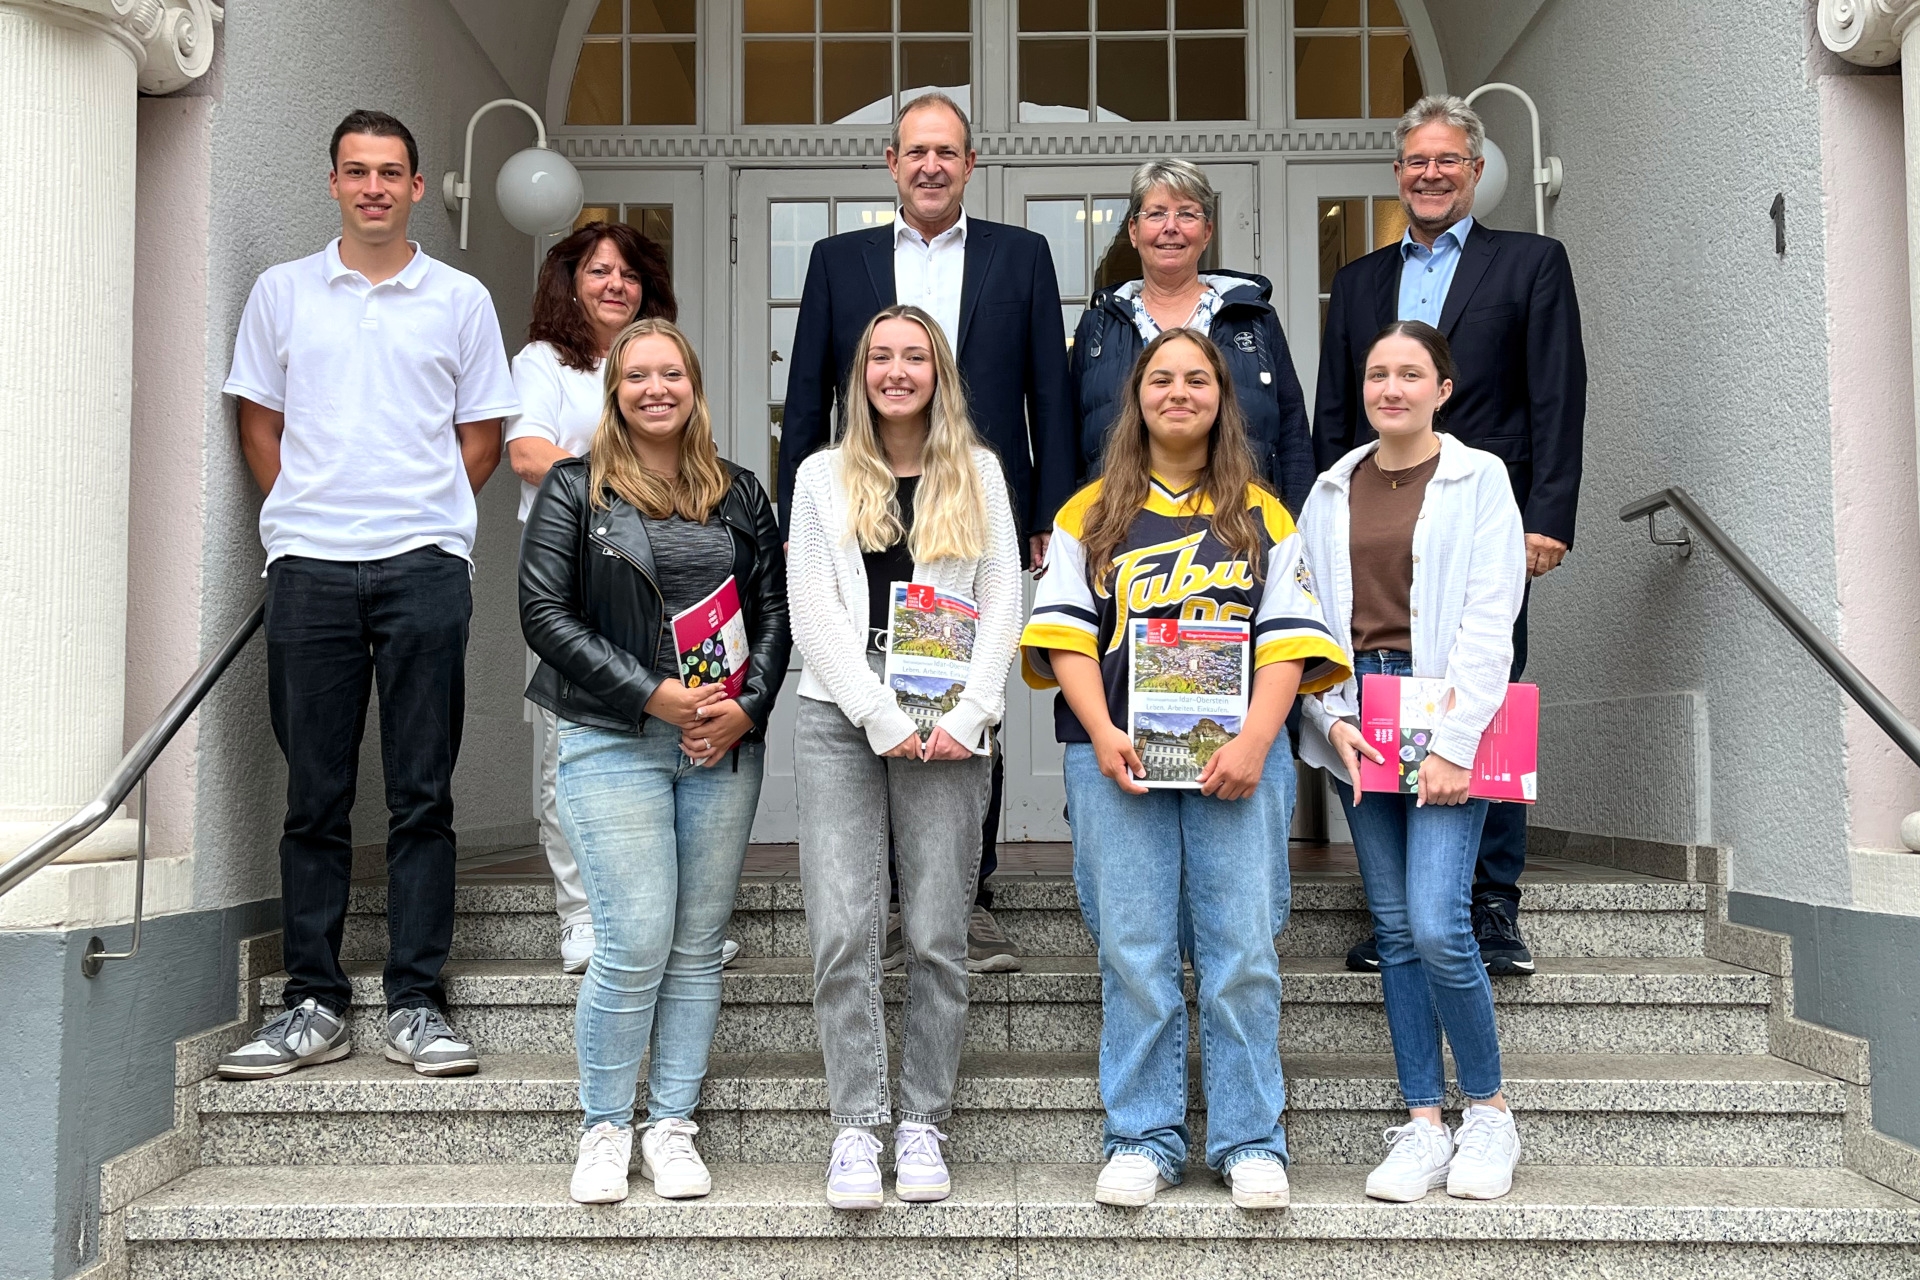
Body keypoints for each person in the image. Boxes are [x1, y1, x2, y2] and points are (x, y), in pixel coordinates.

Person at [216, 111, 517, 1082]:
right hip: (309, 566)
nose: (375, 186)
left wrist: (418, 518)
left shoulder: (462, 301)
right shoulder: (282, 293)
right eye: (358, 171)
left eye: (392, 172)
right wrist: (310, 514)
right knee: (316, 793)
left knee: (422, 790)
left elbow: (480, 438)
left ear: (418, 187)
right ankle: (314, 999)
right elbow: (259, 421)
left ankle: (418, 1003)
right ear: (334, 181)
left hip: (424, 565)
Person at [1021, 329, 1348, 1210]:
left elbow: (1289, 645)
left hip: (1238, 764)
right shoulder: (1086, 512)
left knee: (1241, 953)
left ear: (1221, 397)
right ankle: (1142, 1135)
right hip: (1116, 761)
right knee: (1133, 954)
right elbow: (1065, 640)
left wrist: (1253, 740)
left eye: (1196, 378)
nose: (1178, 392)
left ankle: (1250, 1141)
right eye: (1159, 378)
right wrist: (1099, 730)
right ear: (1135, 397)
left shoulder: (1262, 512)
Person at [778, 91, 1075, 972]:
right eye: (917, 151)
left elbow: (1047, 397)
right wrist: (796, 524)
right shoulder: (840, 260)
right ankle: (883, 906)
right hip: (865, 496)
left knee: (963, 680)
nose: (932, 166)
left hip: (978, 500)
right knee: (865, 677)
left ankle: (964, 895)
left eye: (948, 152)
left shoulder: (1020, 256)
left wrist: (1045, 518)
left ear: (970, 164)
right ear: (892, 163)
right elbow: (807, 394)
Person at [1314, 95, 1587, 977]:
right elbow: (1332, 412)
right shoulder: (1357, 281)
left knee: (1485, 691)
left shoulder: (1532, 263)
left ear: (1475, 173)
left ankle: (1492, 904)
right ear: (1398, 175)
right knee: (1378, 697)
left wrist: (1549, 514)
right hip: (1376, 519)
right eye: (1414, 162)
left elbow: (1556, 394)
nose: (1430, 175)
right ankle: (1394, 908)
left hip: (1482, 518)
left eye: (1447, 162)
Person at [520, 318, 790, 1205]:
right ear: (615, 390)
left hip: (720, 746)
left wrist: (746, 713)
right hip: (612, 737)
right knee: (633, 944)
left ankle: (671, 1123)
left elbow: (775, 611)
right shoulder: (575, 487)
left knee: (697, 949)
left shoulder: (742, 492)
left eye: (670, 373)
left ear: (693, 384)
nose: (655, 390)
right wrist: (653, 694)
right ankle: (604, 1127)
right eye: (637, 376)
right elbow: (544, 616)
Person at [786, 305, 1022, 1209]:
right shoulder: (819, 475)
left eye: (913, 355)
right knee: (845, 930)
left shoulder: (982, 473)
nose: (896, 370)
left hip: (954, 712)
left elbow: (1005, 592)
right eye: (879, 355)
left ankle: (921, 1121)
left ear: (938, 372)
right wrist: (882, 715)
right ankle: (857, 1124)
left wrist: (974, 708)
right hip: (844, 712)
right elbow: (814, 610)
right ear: (862, 374)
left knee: (934, 932)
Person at [1299, 320, 1528, 1202]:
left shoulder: (1480, 480)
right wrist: (1328, 715)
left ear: (1444, 388)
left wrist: (1457, 744)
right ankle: (1425, 1122)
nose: (1391, 388)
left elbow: (1488, 615)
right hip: (1360, 715)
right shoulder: (1330, 489)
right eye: (1377, 374)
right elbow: (1309, 611)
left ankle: (1491, 1114)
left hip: (1445, 711)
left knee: (1438, 922)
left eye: (1410, 374)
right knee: (1394, 928)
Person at [505, 221, 674, 976]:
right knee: (566, 747)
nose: (615, 285)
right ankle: (582, 916)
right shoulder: (545, 361)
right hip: (568, 575)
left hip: (654, 574)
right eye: (600, 271)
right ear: (571, 281)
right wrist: (625, 482)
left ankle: (654, 916)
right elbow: (528, 451)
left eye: (629, 275)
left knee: (654, 742)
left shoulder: (654, 360)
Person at [1070, 158, 1316, 512]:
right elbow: (1070, 438)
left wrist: (1294, 522)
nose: (1171, 227)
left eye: (1187, 214)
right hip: (1121, 528)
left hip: (1241, 524)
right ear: (1134, 232)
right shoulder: (1098, 326)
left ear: (1207, 232)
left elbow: (1292, 428)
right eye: (1156, 214)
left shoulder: (1253, 318)